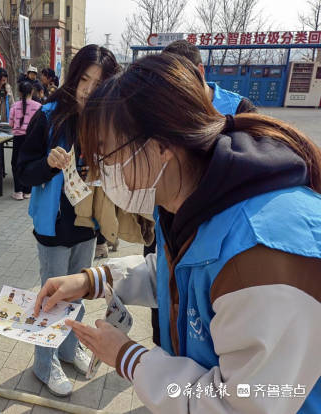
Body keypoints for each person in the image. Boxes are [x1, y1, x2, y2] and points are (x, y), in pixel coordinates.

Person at [34, 53, 321, 413]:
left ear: (159, 148)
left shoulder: (264, 256)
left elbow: (236, 406)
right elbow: (175, 272)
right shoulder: (186, 197)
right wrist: (92, 280)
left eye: (108, 157)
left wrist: (128, 357)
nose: (105, 174)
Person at [140, 41, 259, 347]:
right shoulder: (164, 112)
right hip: (169, 228)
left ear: (200, 72)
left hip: (217, 247)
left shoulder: (239, 113)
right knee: (166, 315)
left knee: (209, 334)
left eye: (177, 82)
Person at [17, 44, 120, 397]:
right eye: (85, 80)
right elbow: (21, 173)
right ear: (74, 77)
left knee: (77, 295)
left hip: (87, 225)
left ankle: (65, 348)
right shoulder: (46, 117)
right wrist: (47, 163)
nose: (89, 90)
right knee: (52, 299)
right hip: (53, 228)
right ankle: (44, 364)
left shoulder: (103, 121)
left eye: (99, 83)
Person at [163, 40, 257, 114]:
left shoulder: (240, 108)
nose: (173, 84)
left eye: (178, 76)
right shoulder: (166, 108)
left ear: (200, 70)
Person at [9, 81, 41, 200]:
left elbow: (11, 123)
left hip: (18, 139)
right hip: (32, 138)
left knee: (16, 164)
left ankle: (18, 191)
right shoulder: (38, 106)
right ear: (32, 92)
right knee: (29, 163)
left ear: (19, 93)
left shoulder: (14, 106)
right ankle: (28, 191)